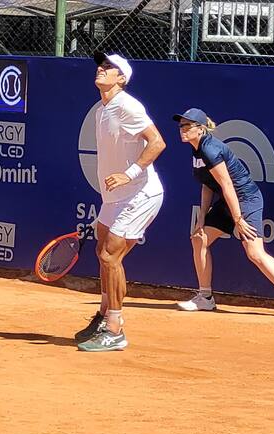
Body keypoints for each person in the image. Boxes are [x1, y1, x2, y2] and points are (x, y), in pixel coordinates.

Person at [173, 108, 274, 319]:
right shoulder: (197, 150)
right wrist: (201, 218)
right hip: (228, 201)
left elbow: (227, 185)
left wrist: (238, 219)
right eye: (181, 126)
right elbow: (207, 185)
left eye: (187, 126)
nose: (181, 130)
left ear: (200, 129)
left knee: (254, 252)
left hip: (245, 199)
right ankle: (205, 298)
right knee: (199, 239)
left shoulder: (210, 149)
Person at [74, 52, 167, 352]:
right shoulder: (102, 108)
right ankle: (104, 316)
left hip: (141, 193)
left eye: (109, 68)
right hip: (114, 197)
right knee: (103, 251)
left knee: (110, 257)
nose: (101, 69)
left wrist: (130, 173)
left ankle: (115, 328)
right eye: (100, 66)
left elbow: (158, 142)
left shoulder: (128, 105)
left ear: (121, 78)